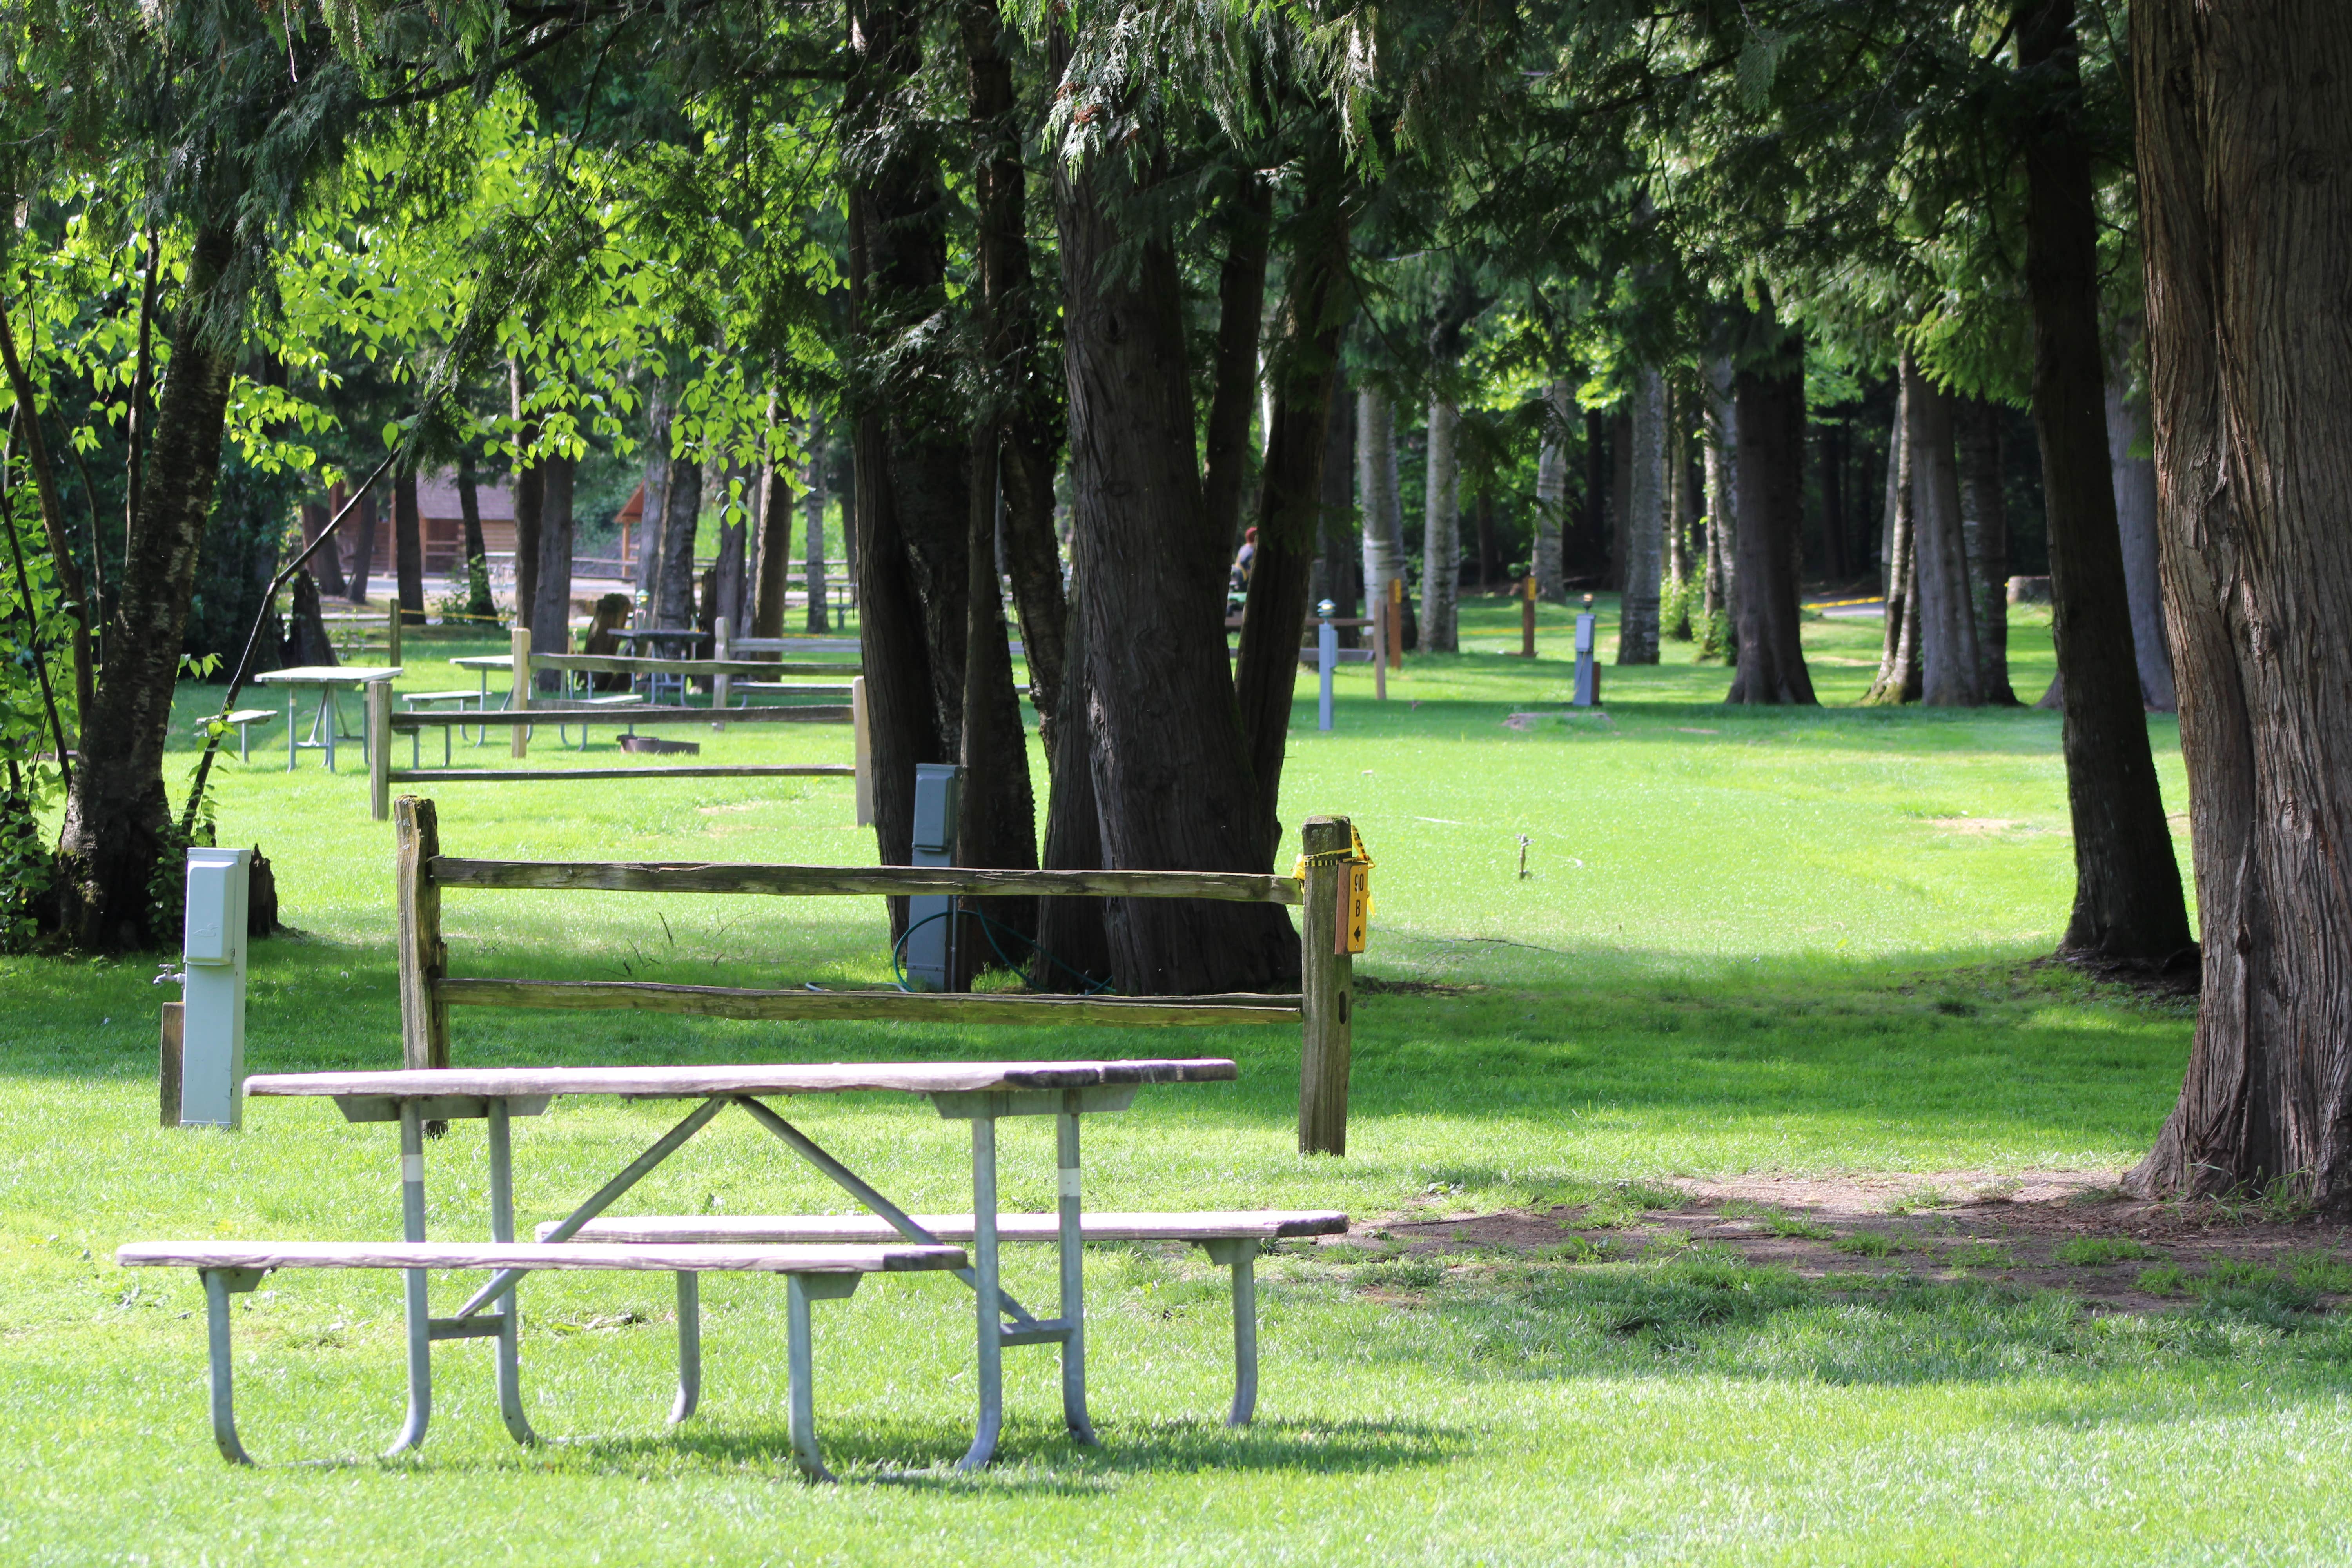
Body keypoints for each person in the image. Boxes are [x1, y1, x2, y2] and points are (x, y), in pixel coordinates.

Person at [1229, 526, 1258, 605]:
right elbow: (1250, 571)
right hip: (1243, 579)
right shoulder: (1252, 551)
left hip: (1237, 576)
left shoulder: (1244, 548)